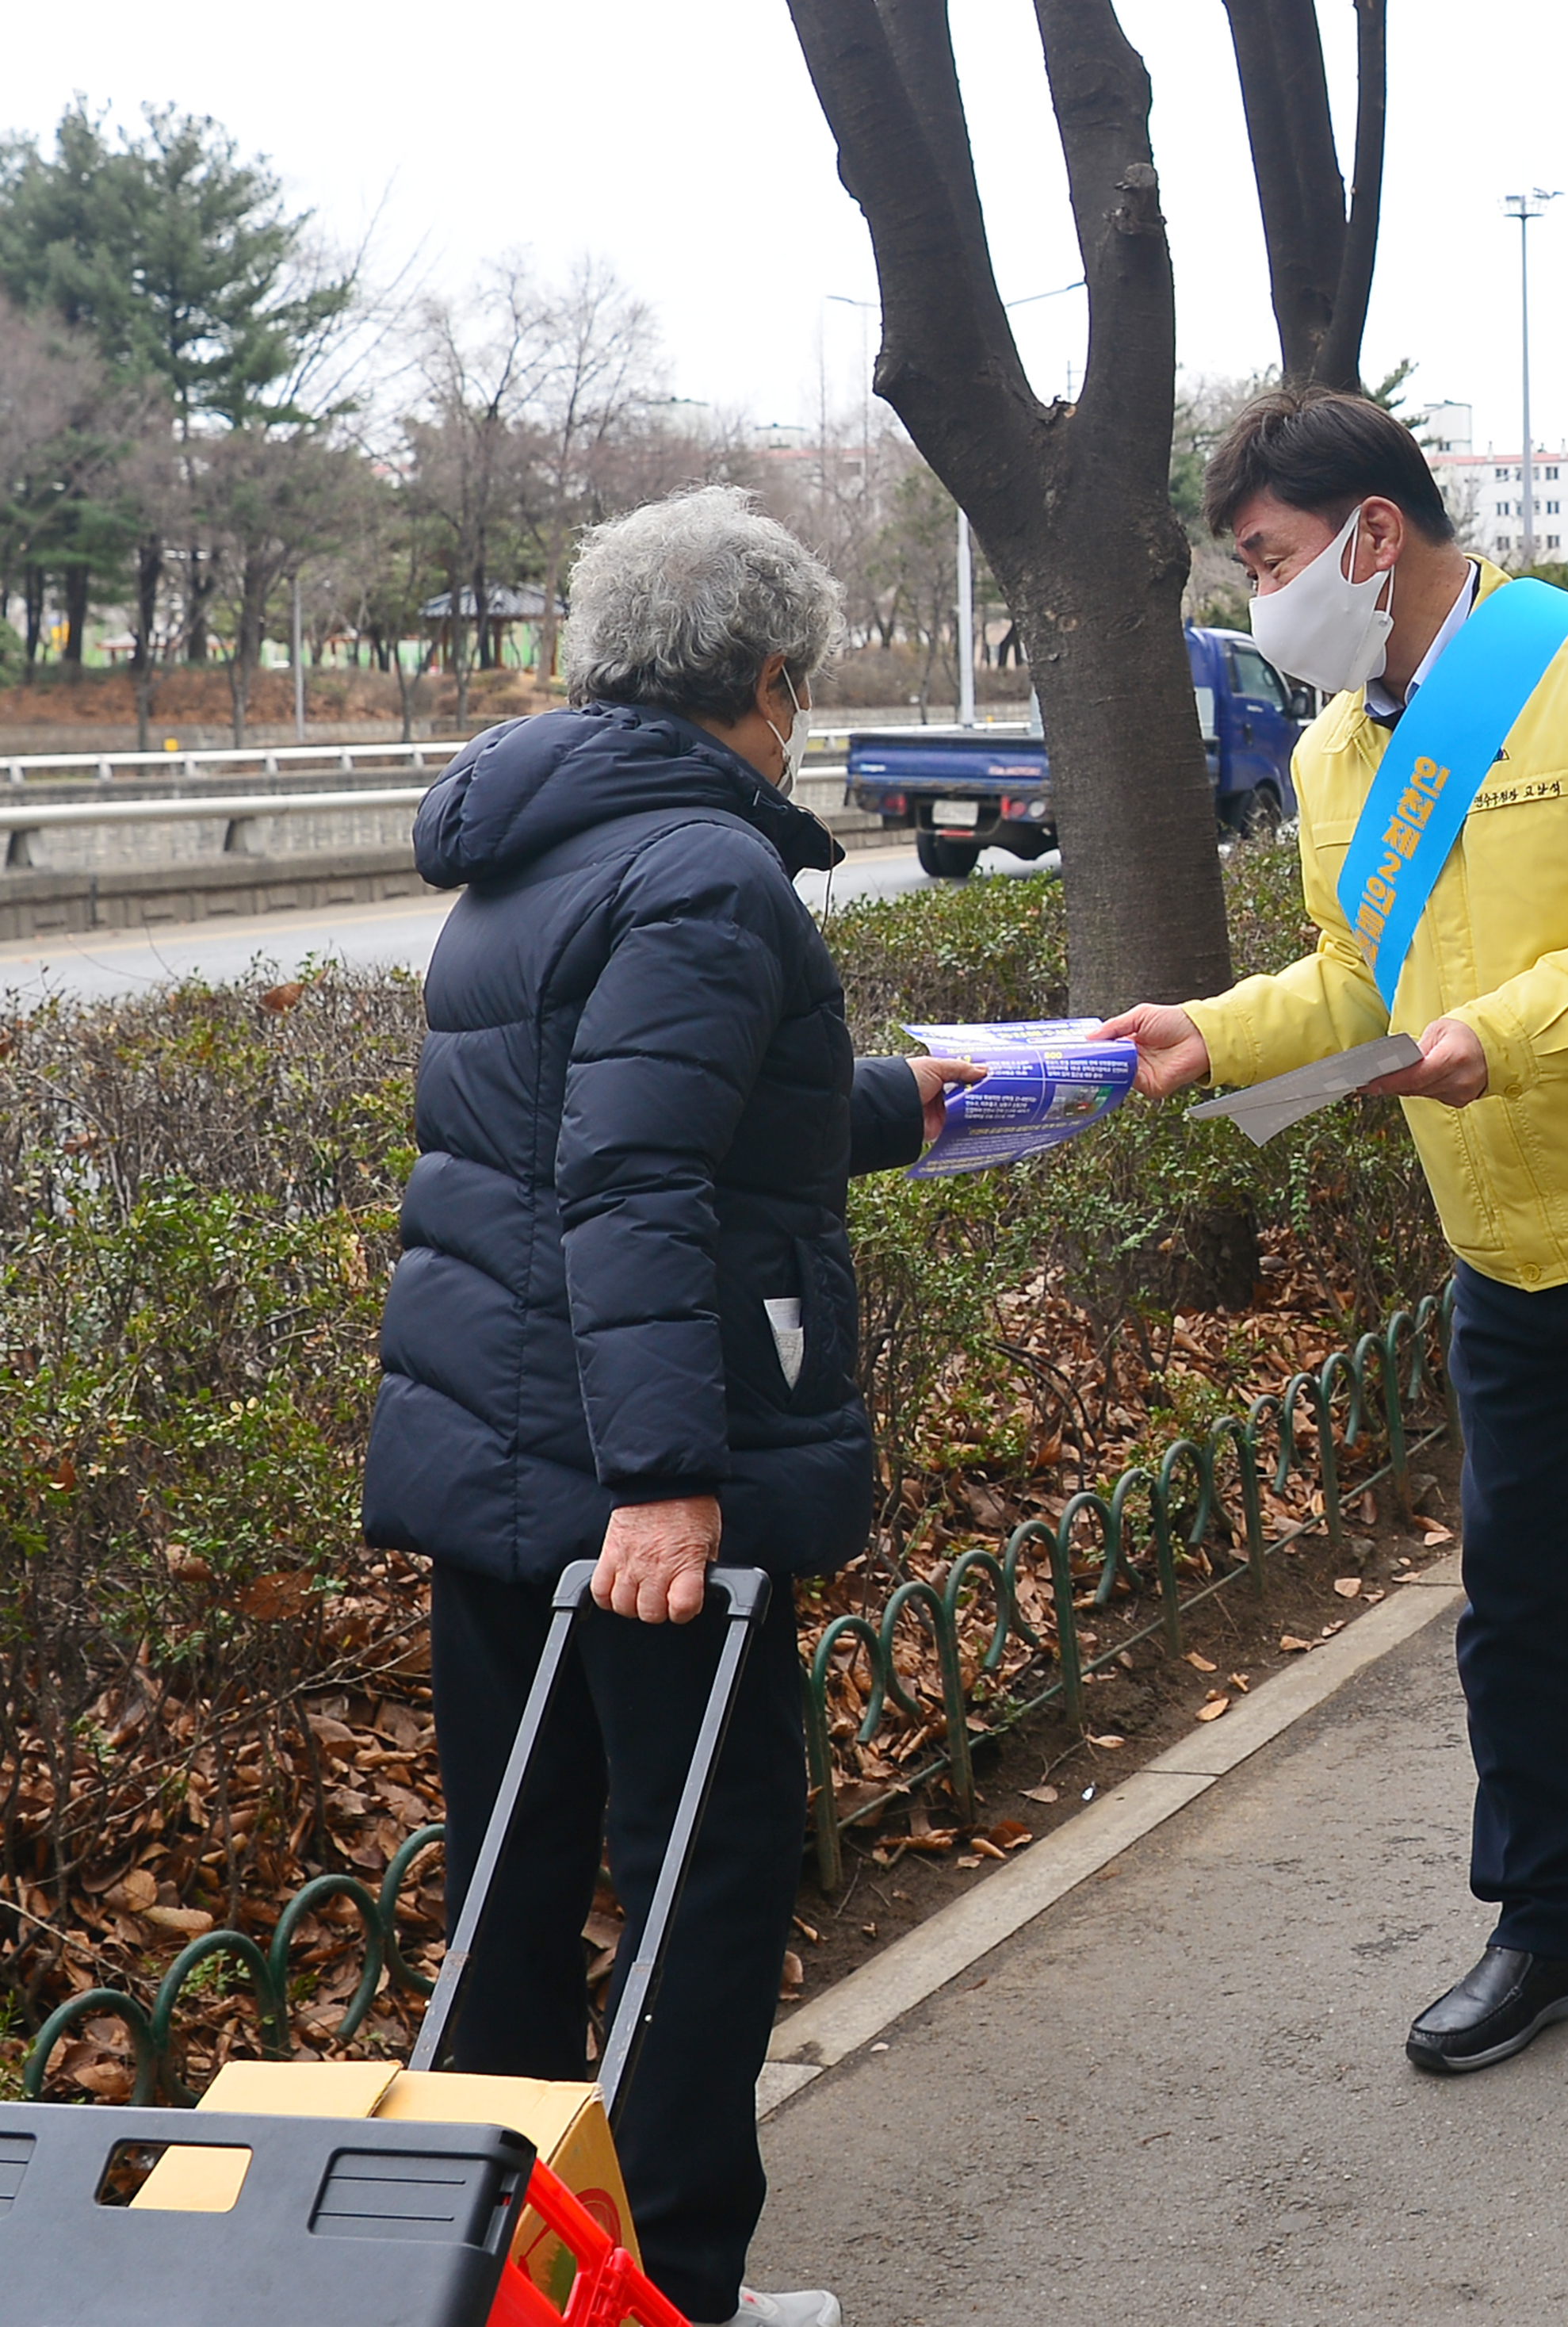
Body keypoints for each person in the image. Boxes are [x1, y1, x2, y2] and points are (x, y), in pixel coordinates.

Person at [1095, 385, 1568, 2135]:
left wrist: (1505, 1032)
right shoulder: (1337, 751)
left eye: (1268, 558)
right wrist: (1215, 1031)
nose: (1259, 597)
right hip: (1501, 1239)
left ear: (1372, 534)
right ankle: (1549, 1931)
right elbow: (1361, 977)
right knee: (1511, 1602)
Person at [361, 486, 981, 2327]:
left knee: (513, 1883)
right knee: (699, 1890)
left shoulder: (540, 846)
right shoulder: (707, 872)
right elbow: (634, 1179)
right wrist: (666, 1481)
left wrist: (914, 1099)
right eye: (805, 690)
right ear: (767, 679)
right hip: (629, 1485)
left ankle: (497, 2278)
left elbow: (658, 1121)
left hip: (491, 1451)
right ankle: (669, 2292)